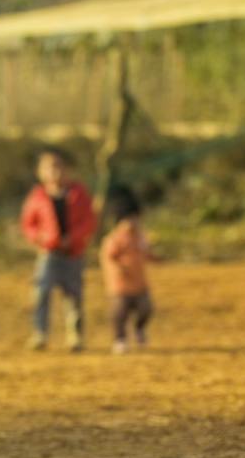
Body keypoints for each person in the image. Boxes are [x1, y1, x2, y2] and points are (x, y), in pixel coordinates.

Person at [19, 147, 96, 352]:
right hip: (48, 254)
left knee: (74, 296)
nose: (55, 172)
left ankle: (75, 336)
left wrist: (75, 237)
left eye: (59, 166)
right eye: (49, 167)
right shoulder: (37, 197)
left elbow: (89, 220)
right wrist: (43, 238)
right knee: (41, 293)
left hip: (73, 254)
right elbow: (28, 225)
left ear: (67, 169)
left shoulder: (79, 193)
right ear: (40, 172)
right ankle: (40, 333)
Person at [99, 184, 154, 354]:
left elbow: (146, 253)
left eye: (135, 218)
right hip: (120, 287)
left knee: (146, 308)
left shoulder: (141, 237)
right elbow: (108, 257)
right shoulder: (114, 239)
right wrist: (118, 270)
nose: (133, 222)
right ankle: (120, 339)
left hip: (139, 285)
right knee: (119, 314)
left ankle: (139, 329)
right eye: (129, 219)